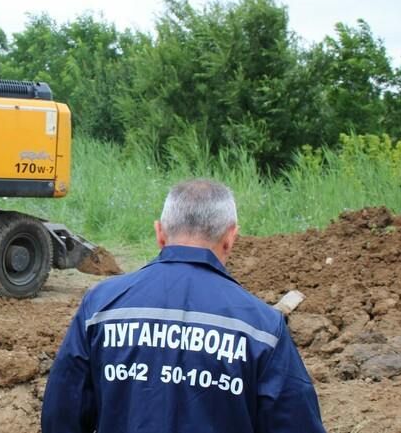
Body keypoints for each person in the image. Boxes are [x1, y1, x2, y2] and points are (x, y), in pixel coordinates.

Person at [41, 179, 326, 433]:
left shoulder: (101, 307)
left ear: (160, 233)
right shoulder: (262, 327)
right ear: (230, 238)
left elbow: (61, 416)